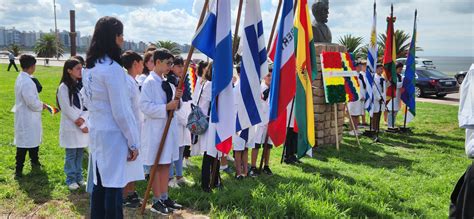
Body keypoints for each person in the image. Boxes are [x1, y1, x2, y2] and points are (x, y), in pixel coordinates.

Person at [82, 16, 140, 219]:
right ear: (113, 37)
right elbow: (121, 112)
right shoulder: (113, 69)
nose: (123, 39)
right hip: (114, 135)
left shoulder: (90, 67)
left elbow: (88, 102)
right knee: (113, 188)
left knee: (100, 185)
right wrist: (133, 142)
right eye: (121, 35)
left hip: (98, 132)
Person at [139, 49, 183, 215]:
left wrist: (176, 101)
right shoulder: (149, 82)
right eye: (168, 63)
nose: (170, 67)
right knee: (156, 165)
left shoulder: (168, 82)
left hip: (168, 128)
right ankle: (156, 199)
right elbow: (144, 106)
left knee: (166, 164)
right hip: (156, 130)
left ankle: (164, 196)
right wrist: (165, 107)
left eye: (171, 64)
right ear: (157, 62)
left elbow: (175, 107)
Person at [56, 58, 89, 190]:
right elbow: (68, 108)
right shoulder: (63, 87)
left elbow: (85, 105)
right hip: (72, 126)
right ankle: (70, 179)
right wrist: (81, 123)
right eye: (78, 68)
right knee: (71, 154)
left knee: (80, 153)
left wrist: (84, 118)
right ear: (69, 70)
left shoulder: (78, 86)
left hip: (81, 124)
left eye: (81, 68)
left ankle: (79, 177)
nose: (81, 71)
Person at [120, 50, 146, 208]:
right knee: (128, 162)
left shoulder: (133, 81)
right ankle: (124, 195)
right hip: (131, 128)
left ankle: (131, 192)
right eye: (141, 63)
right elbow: (128, 110)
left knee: (134, 164)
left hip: (137, 127)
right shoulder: (127, 82)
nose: (143, 66)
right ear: (135, 64)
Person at [14, 54, 46, 178]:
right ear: (32, 66)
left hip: (27, 116)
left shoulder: (23, 77)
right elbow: (31, 102)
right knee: (23, 144)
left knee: (33, 140)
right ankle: (18, 169)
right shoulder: (26, 82)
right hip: (27, 117)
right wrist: (42, 105)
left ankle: (35, 161)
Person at [196, 62, 222, 192]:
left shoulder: (208, 83)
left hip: (212, 122)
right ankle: (206, 184)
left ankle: (215, 179)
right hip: (209, 122)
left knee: (214, 152)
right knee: (209, 154)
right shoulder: (210, 85)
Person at [167, 56, 192, 188]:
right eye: (178, 66)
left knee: (181, 149)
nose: (181, 69)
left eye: (183, 66)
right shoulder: (170, 81)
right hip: (175, 120)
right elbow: (173, 103)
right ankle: (170, 178)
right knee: (172, 150)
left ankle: (179, 176)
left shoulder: (180, 80)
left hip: (183, 119)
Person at [249, 68, 274, 177]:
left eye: (272, 75)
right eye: (268, 75)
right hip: (260, 121)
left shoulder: (274, 89)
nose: (270, 78)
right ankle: (253, 166)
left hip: (270, 120)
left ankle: (266, 165)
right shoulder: (261, 88)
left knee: (267, 145)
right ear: (264, 77)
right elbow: (263, 97)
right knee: (256, 145)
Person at [347, 62, 365, 136]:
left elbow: (362, 87)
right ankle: (351, 129)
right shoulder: (352, 75)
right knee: (352, 114)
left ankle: (356, 129)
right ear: (356, 67)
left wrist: (363, 95)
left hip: (360, 98)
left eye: (361, 66)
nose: (361, 68)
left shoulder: (360, 75)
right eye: (359, 66)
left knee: (357, 114)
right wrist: (360, 95)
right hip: (354, 97)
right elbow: (354, 87)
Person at [387, 62, 404, 131]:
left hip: (397, 96)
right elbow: (394, 85)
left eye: (401, 69)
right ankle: (390, 125)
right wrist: (403, 83)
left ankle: (393, 124)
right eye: (399, 69)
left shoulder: (400, 76)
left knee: (395, 111)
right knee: (391, 111)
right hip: (392, 96)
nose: (400, 70)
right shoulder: (392, 76)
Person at [371, 64, 386, 133]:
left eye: (382, 69)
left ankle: (377, 127)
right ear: (376, 69)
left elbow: (384, 88)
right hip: (376, 98)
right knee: (375, 113)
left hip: (382, 98)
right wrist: (379, 97)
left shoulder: (382, 77)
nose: (381, 70)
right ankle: (373, 128)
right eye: (380, 69)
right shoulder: (374, 77)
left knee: (379, 113)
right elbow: (374, 88)